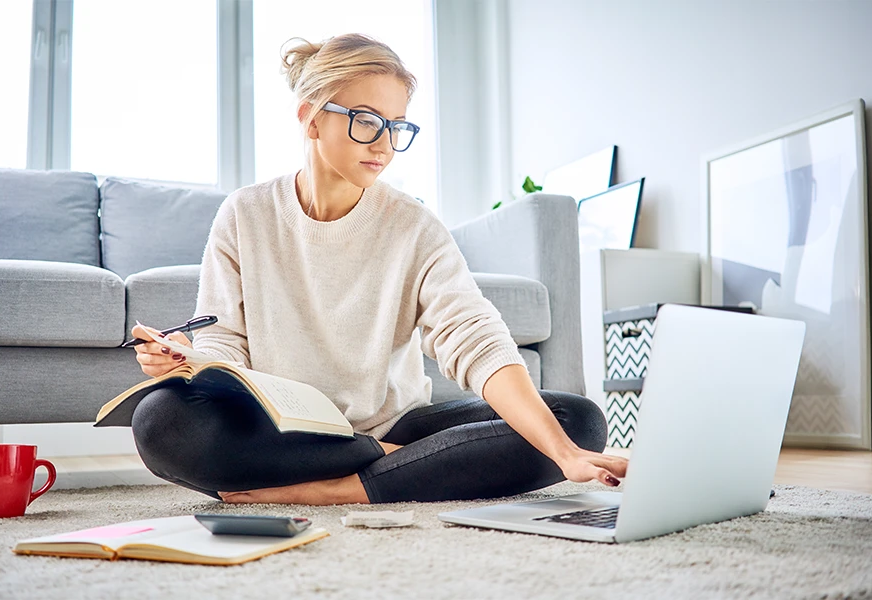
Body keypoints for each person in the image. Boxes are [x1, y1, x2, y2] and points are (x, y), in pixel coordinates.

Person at [129, 33, 628, 505]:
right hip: (281, 428)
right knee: (160, 420)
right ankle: (400, 470)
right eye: (367, 120)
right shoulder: (245, 213)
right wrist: (194, 364)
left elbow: (472, 335)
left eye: (397, 126)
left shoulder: (414, 225)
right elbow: (224, 340)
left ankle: (337, 487)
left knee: (577, 422)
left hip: (395, 426)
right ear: (311, 118)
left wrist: (566, 454)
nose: (385, 144)